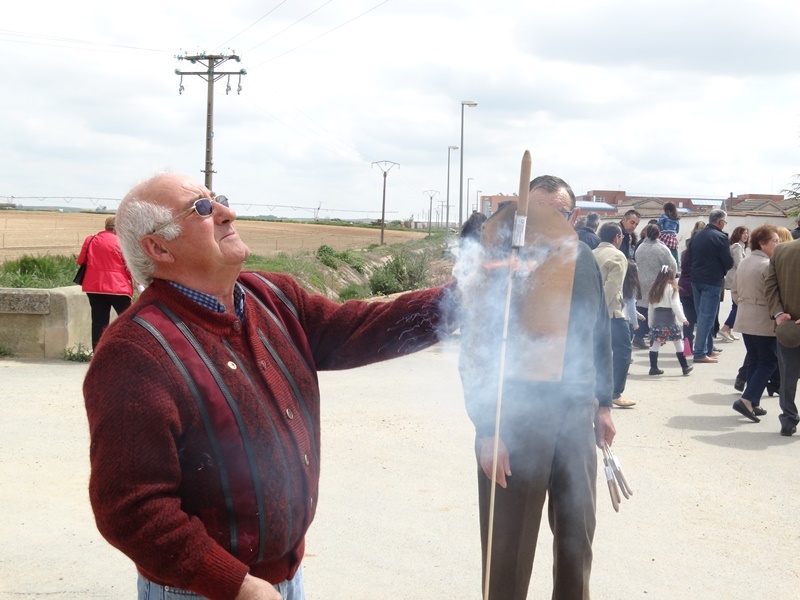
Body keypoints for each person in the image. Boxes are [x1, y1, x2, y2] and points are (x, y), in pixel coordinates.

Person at [83, 173, 457, 600]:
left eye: (218, 199)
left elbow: (363, 329)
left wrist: (467, 300)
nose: (227, 213)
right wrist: (236, 584)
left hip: (283, 579)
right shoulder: (135, 351)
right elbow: (130, 509)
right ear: (159, 248)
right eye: (202, 209)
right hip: (207, 592)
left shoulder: (272, 296)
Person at [459, 175, 615, 600]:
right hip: (515, 418)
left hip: (575, 414)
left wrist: (603, 404)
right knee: (507, 548)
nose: (546, 224)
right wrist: (487, 429)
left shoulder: (584, 259)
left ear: (574, 217)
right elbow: (476, 348)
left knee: (577, 535)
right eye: (537, 213)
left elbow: (599, 333)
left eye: (557, 214)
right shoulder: (499, 259)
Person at [730, 225, 780, 423]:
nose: (778, 244)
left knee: (754, 359)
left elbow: (734, 291)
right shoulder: (767, 265)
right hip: (762, 318)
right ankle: (747, 399)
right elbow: (773, 294)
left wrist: (745, 304)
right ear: (762, 243)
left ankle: (754, 402)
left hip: (745, 316)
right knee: (769, 361)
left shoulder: (744, 262)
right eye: (775, 241)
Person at [76, 215, 134, 350]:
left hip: (94, 287)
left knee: (99, 322)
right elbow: (130, 266)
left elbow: (80, 261)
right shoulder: (123, 243)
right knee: (129, 321)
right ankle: (129, 350)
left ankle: (98, 353)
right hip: (118, 287)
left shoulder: (91, 240)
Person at [593, 222, 635, 407]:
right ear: (617, 237)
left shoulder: (592, 253)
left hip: (590, 310)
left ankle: (596, 390)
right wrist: (601, 310)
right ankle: (615, 392)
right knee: (623, 351)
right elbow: (612, 287)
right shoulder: (617, 256)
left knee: (597, 352)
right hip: (610, 312)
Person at [765, 235, 800, 436]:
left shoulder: (781, 250)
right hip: (787, 326)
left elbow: (770, 285)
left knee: (787, 375)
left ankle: (788, 419)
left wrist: (778, 313)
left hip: (786, 325)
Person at [690, 209, 734, 364]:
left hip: (696, 279)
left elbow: (690, 256)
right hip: (712, 280)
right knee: (707, 317)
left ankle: (707, 348)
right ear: (720, 222)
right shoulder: (721, 237)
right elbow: (728, 262)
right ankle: (700, 352)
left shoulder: (697, 236)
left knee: (702, 316)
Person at [632, 224, 676, 350]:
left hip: (641, 282)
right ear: (658, 234)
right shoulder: (661, 248)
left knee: (642, 309)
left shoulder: (640, 247)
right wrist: (671, 277)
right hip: (656, 283)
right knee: (656, 312)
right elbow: (672, 265)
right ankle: (655, 338)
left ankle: (639, 336)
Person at [647, 265, 692, 376]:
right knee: (678, 342)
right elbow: (675, 305)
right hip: (670, 320)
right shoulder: (672, 288)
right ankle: (685, 366)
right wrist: (683, 319)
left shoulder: (655, 288)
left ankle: (653, 368)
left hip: (657, 321)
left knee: (656, 344)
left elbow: (650, 308)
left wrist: (650, 323)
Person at [678, 222, 706, 356]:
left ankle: (687, 345)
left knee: (688, 318)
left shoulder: (684, 253)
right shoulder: (699, 255)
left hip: (683, 286)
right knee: (698, 318)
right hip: (693, 287)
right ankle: (700, 345)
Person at [720, 226, 749, 341]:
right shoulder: (737, 246)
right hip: (736, 280)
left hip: (735, 279)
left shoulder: (739, 246)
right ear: (738, 234)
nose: (746, 235)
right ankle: (725, 328)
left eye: (747, 233)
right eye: (743, 233)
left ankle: (728, 330)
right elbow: (739, 264)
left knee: (735, 305)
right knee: (738, 306)